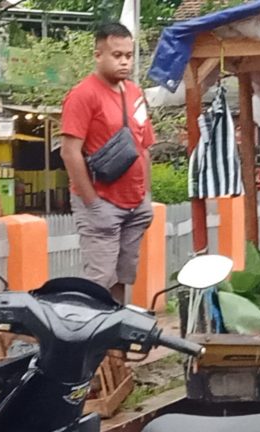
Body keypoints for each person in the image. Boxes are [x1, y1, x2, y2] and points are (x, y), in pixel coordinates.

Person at [60, 23, 155, 304]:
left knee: (123, 278)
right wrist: (92, 203)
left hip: (135, 202)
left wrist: (146, 196)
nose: (125, 61)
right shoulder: (83, 95)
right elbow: (69, 152)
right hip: (101, 200)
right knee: (99, 281)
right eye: (117, 55)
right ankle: (91, 345)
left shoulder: (135, 93)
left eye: (128, 54)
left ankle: (115, 344)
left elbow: (145, 146)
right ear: (98, 55)